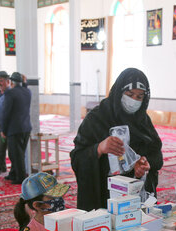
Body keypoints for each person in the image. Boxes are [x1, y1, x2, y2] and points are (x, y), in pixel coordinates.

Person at [70, 68, 163, 211]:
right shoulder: (97, 118)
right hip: (102, 197)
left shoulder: (143, 122)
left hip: (134, 198)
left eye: (139, 97)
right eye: (130, 94)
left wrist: (144, 164)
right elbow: (77, 157)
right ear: (119, 92)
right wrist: (99, 148)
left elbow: (156, 155)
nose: (133, 101)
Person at [1, 72, 32, 185]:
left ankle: (21, 177)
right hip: (26, 128)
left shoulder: (10, 93)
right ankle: (13, 174)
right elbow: (25, 86)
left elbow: (6, 113)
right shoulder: (28, 91)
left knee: (15, 155)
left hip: (15, 129)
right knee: (19, 153)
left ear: (11, 82)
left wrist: (3, 130)